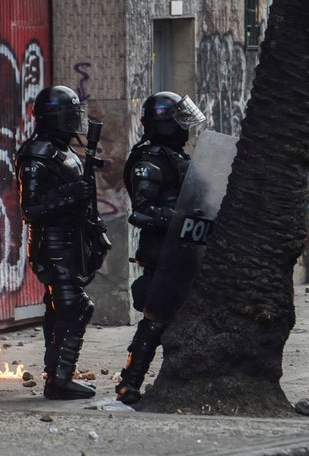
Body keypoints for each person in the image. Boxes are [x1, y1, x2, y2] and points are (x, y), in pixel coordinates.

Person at [14, 85, 108, 400]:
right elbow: (31, 209)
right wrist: (70, 193)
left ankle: (56, 373)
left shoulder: (63, 151)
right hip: (51, 247)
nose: (75, 120)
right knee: (77, 307)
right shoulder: (37, 154)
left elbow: (82, 203)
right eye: (70, 114)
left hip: (69, 244)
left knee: (59, 310)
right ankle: (60, 380)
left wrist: (94, 229)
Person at [116, 91, 206, 405]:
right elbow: (141, 211)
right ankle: (129, 384)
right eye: (179, 120)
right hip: (162, 251)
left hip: (187, 247)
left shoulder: (176, 156)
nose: (184, 127)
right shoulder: (150, 159)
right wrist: (178, 217)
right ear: (165, 123)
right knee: (156, 320)